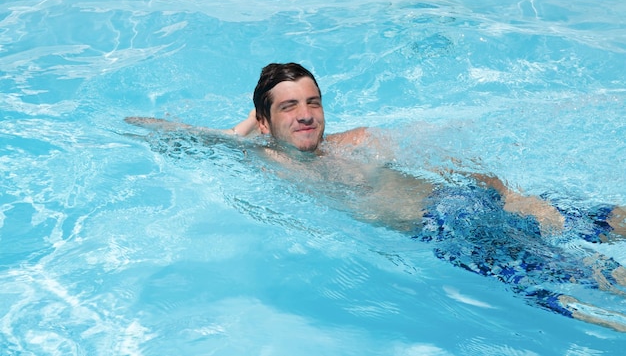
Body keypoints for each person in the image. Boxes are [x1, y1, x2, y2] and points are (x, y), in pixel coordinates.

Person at [125, 62, 626, 331]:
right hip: (446, 223)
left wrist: (513, 196)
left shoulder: (357, 140)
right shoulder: (262, 157)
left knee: (575, 272)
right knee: (582, 266)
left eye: (314, 103)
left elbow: (448, 160)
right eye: (290, 107)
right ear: (263, 120)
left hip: (456, 222)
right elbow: (154, 129)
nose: (306, 115)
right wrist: (245, 131)